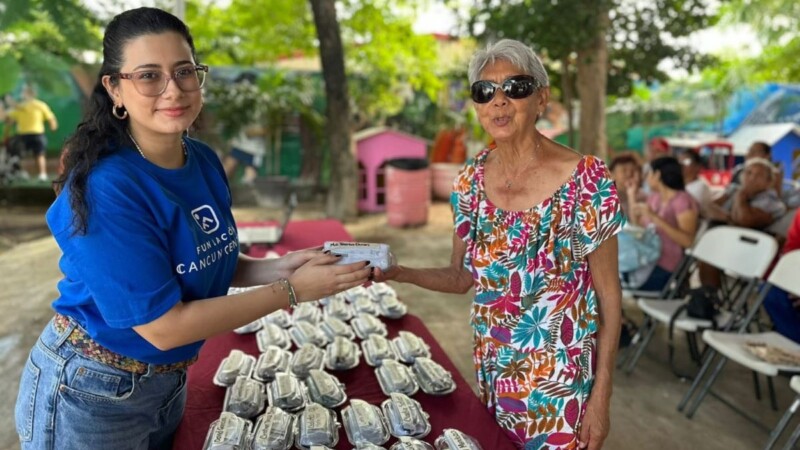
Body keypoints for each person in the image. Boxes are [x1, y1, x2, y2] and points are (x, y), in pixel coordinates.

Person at [13, 8, 371, 450]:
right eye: (149, 76)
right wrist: (292, 291)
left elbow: (204, 257)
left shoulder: (201, 159)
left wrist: (282, 267)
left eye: (184, 71)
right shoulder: (108, 187)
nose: (173, 89)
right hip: (92, 391)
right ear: (115, 88)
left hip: (165, 382)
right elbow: (163, 327)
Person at [375, 39, 625, 449]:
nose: (499, 101)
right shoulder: (469, 182)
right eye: (484, 91)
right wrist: (399, 272)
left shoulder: (587, 180)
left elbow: (610, 296)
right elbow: (460, 277)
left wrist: (602, 395)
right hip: (495, 375)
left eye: (516, 87)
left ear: (541, 98)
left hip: (561, 388)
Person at [627, 156, 699, 292]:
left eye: (649, 174)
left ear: (657, 174)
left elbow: (688, 241)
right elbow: (639, 229)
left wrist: (655, 217)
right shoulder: (655, 197)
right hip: (646, 259)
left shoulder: (682, 201)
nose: (646, 178)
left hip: (665, 263)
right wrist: (631, 196)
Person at [5, 84, 58, 181]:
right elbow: (10, 119)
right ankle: (23, 173)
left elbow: (50, 117)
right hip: (23, 135)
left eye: (26, 93)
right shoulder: (20, 107)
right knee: (20, 155)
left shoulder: (39, 105)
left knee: (39, 154)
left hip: (37, 133)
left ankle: (42, 174)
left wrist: (53, 125)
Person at [609, 152, 644, 217]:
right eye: (624, 170)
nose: (629, 174)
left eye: (632, 171)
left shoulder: (643, 198)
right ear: (612, 175)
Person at [679, 150, 712, 217]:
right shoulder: (678, 184)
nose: (681, 165)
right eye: (680, 162)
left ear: (697, 166)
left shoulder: (701, 186)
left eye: (686, 162)